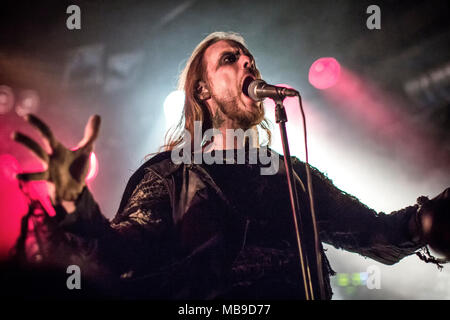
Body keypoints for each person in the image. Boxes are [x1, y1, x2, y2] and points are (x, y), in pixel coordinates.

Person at [9, 32, 449, 300]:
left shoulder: (292, 176)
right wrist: (74, 202)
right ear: (202, 92)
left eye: (249, 57)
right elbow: (121, 253)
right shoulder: (170, 174)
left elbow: (373, 232)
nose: (248, 62)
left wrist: (429, 220)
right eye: (229, 59)